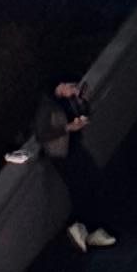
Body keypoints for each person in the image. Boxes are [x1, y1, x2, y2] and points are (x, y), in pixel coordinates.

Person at [34, 77, 116, 250]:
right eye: (70, 86)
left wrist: (81, 102)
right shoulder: (48, 106)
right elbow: (42, 134)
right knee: (79, 186)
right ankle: (79, 225)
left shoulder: (68, 101)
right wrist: (68, 128)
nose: (73, 89)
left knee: (91, 180)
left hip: (73, 146)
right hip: (60, 153)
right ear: (60, 86)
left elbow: (83, 113)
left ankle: (90, 228)